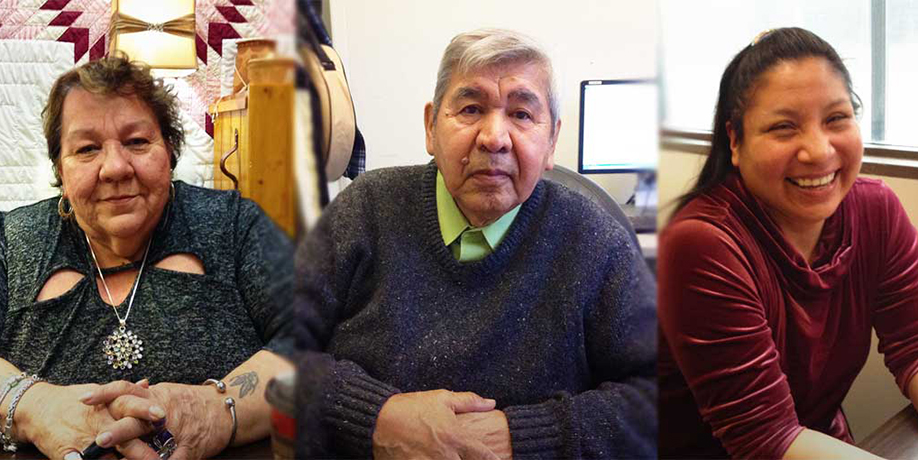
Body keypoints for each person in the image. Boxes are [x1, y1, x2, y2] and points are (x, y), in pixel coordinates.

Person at [293, 28, 657, 459]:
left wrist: (521, 436)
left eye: (521, 115)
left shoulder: (595, 240)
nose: (494, 138)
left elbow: (656, 396)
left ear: (552, 141)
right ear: (431, 126)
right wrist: (376, 416)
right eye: (471, 108)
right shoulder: (364, 209)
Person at [0, 56, 295, 459]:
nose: (116, 167)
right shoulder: (11, 239)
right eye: (87, 149)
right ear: (60, 171)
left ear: (169, 150)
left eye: (137, 142)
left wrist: (217, 410)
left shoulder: (232, 224)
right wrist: (36, 406)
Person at [658, 27, 918, 459]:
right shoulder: (701, 245)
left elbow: (913, 345)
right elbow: (765, 439)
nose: (818, 151)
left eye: (836, 118)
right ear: (735, 142)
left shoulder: (878, 210)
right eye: (783, 127)